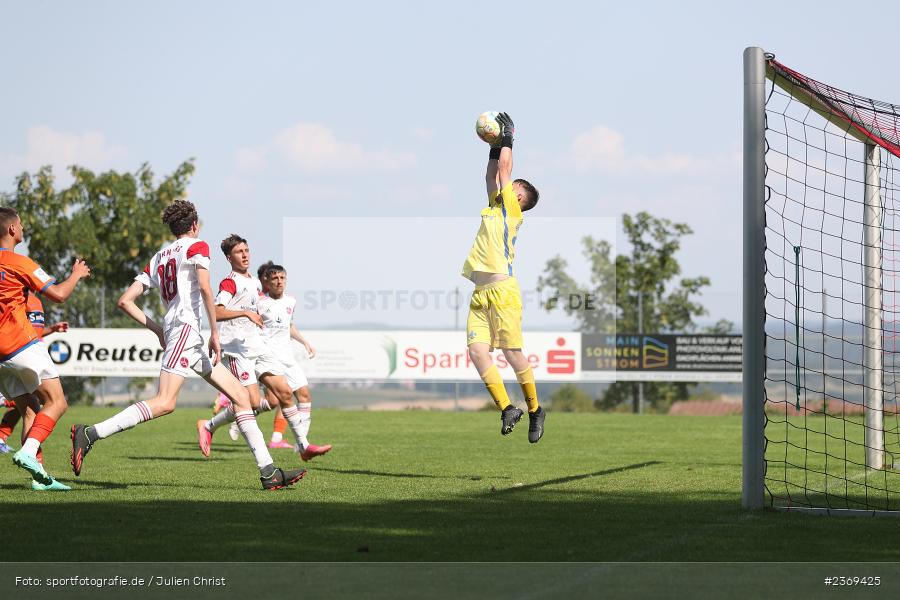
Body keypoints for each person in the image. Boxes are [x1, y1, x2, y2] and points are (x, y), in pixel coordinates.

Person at [70, 201, 306, 490]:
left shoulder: (158, 257)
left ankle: (268, 472)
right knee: (165, 403)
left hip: (183, 335)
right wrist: (215, 333)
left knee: (242, 399)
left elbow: (124, 301)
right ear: (194, 225)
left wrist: (158, 329)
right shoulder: (197, 247)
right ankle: (90, 433)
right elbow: (206, 288)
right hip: (186, 331)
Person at [196, 236, 324, 461]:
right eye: (239, 252)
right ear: (229, 258)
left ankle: (304, 447)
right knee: (252, 403)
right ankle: (208, 425)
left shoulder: (255, 282)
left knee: (283, 393)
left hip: (258, 346)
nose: (245, 255)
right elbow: (215, 311)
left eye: (246, 250)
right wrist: (245, 313)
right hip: (237, 350)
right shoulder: (230, 282)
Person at [461, 112, 545, 443]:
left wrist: (508, 137)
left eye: (513, 186)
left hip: (503, 293)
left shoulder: (511, 209)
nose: (504, 184)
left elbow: (505, 173)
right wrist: (495, 146)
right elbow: (492, 172)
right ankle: (508, 407)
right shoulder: (495, 207)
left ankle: (536, 410)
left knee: (512, 354)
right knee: (478, 352)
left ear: (519, 197)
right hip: (481, 294)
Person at [0, 206, 91, 489]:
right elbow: (60, 295)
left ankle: (39, 478)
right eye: (22, 225)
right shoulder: (20, 262)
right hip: (20, 343)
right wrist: (76, 273)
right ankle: (27, 452)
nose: (24, 229)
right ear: (13, 229)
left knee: (31, 409)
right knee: (58, 402)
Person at [258, 264, 331, 460]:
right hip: (268, 358)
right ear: (267, 282)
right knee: (279, 399)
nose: (279, 281)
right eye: (275, 278)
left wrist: (305, 342)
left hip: (287, 357)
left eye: (282, 278)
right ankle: (222, 420)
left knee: (305, 395)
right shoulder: (259, 303)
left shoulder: (291, 301)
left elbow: (288, 326)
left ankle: (302, 445)